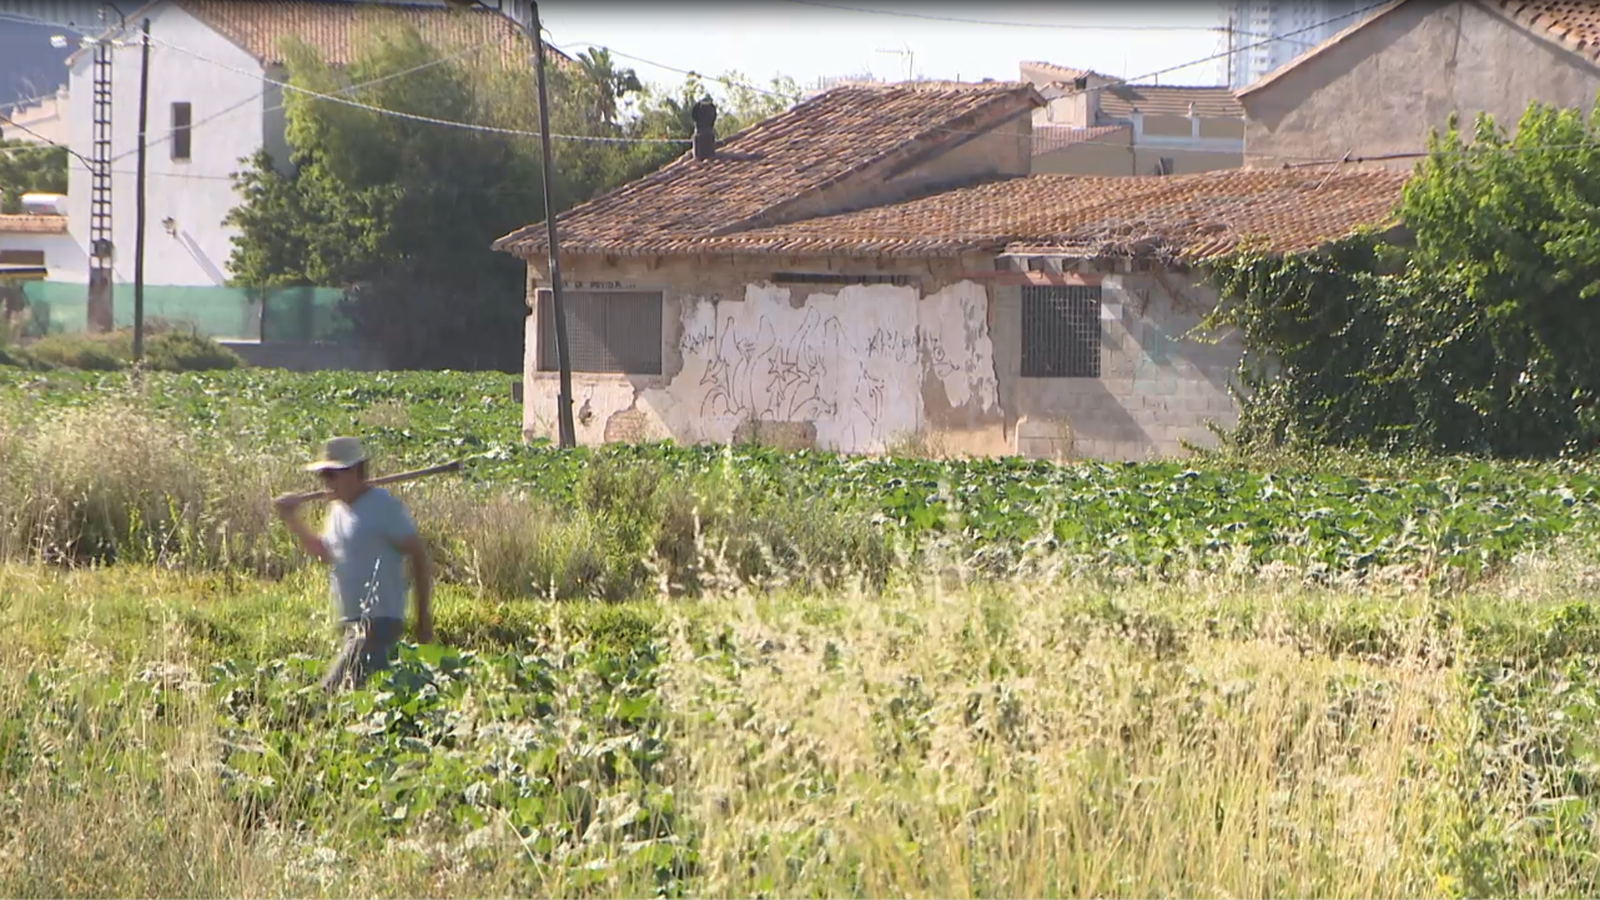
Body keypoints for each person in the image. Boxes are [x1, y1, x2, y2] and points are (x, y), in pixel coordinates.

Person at [274, 436, 434, 692]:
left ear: (356, 472)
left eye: (332, 475)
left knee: (332, 691)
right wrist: (292, 519)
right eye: (323, 476)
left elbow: (418, 556)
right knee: (359, 695)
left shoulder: (383, 506)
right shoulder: (337, 510)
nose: (326, 483)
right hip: (352, 623)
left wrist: (422, 616)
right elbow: (324, 553)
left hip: (378, 623)